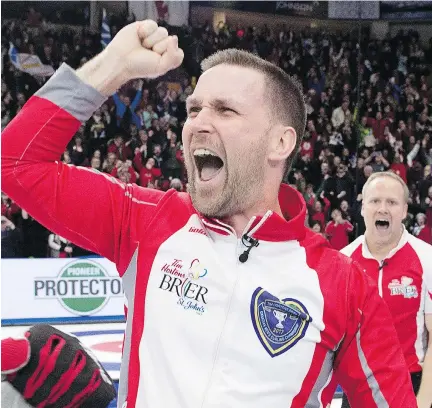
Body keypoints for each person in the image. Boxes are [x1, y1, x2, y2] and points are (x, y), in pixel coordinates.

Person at [1, 20, 417, 408]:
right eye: (194, 109)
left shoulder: (346, 288)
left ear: (280, 143)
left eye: (225, 110)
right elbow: (15, 164)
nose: (197, 123)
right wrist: (113, 67)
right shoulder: (147, 220)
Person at [341, 171, 432, 408]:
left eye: (391, 202)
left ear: (403, 211)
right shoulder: (343, 262)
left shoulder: (426, 259)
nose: (383, 209)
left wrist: (424, 398)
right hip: (357, 387)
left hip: (410, 384)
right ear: (362, 208)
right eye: (375, 201)